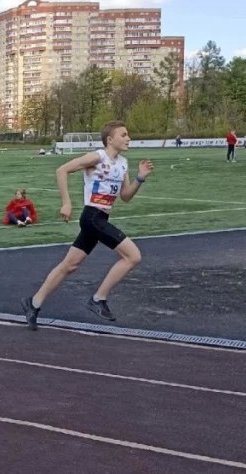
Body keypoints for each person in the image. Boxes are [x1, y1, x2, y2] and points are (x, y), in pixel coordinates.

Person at [22, 121, 153, 329]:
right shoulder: (97, 157)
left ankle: (33, 303)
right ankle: (98, 299)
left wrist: (139, 178)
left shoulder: (123, 163)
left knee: (70, 265)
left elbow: (126, 196)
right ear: (110, 139)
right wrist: (66, 202)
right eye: (124, 134)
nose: (129, 138)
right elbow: (61, 170)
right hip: (92, 217)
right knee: (133, 256)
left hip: (101, 219)